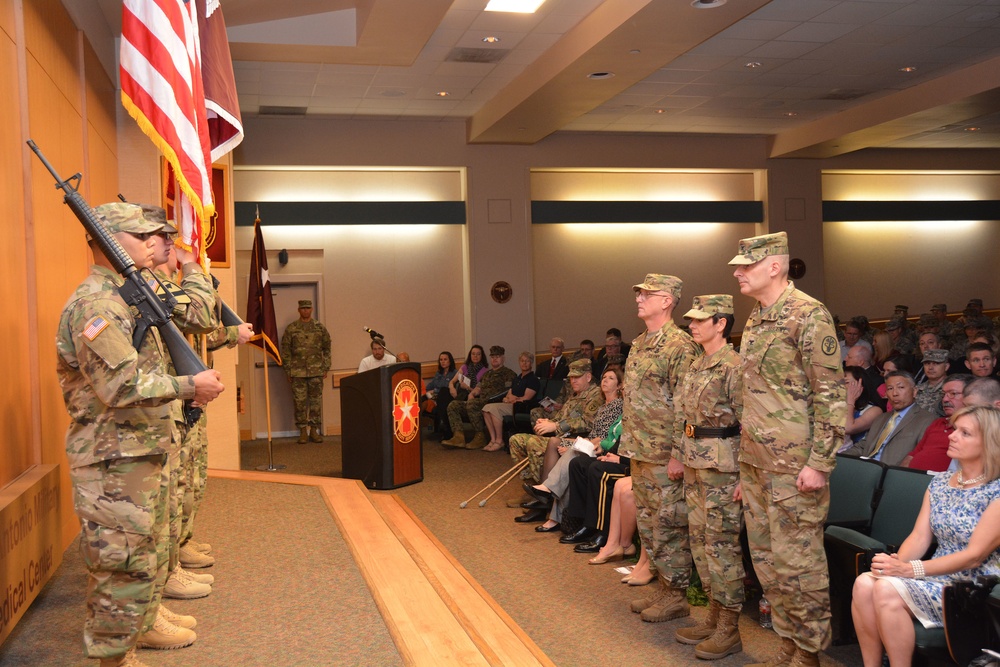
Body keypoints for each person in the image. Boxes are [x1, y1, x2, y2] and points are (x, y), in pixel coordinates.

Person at [56, 203, 225, 667]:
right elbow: (119, 384)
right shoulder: (97, 304)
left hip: (138, 448)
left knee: (144, 555)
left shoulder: (125, 295)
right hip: (113, 459)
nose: (156, 243)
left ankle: (137, 634)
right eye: (143, 234)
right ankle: (112, 657)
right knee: (121, 565)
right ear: (109, 239)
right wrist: (189, 385)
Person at [729, 231, 846, 667]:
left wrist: (819, 463)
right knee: (767, 563)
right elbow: (755, 397)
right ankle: (789, 643)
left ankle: (810, 653)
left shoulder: (808, 315)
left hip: (795, 468)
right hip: (757, 465)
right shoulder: (758, 318)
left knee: (800, 566)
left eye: (746, 265)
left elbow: (832, 396)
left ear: (774, 266)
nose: (738, 272)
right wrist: (745, 469)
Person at [851, 405, 1000, 667]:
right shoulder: (941, 482)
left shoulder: (996, 490)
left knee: (886, 588)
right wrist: (894, 566)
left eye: (965, 433)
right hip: (932, 574)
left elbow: (974, 557)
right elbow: (920, 537)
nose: (952, 436)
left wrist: (908, 570)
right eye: (955, 429)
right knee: (865, 583)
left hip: (971, 588)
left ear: (989, 442)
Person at [619, 274, 697, 624]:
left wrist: (680, 453)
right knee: (649, 525)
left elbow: (688, 404)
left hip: (666, 453)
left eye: (647, 294)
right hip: (640, 448)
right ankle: (664, 586)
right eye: (639, 293)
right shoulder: (638, 343)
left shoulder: (680, 345)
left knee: (670, 523)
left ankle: (677, 594)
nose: (639, 298)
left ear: (667, 301)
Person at [673, 294, 745, 659]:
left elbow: (750, 423)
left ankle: (730, 627)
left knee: (722, 546)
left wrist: (746, 475)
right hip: (694, 462)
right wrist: (677, 454)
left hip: (723, 466)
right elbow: (684, 416)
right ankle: (714, 615)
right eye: (691, 319)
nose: (693, 324)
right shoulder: (697, 363)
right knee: (701, 544)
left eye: (702, 319)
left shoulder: (734, 365)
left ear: (722, 323)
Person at [527, 367, 623, 532]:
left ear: (620, 385)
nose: (605, 380)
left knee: (571, 453)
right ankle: (548, 498)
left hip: (600, 449)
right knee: (557, 442)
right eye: (604, 377)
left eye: (611, 378)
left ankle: (548, 494)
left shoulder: (617, 406)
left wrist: (577, 445)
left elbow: (604, 438)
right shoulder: (602, 407)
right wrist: (574, 443)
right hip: (589, 443)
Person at [508, 359, 602, 521]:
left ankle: (542, 499)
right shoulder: (574, 395)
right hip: (558, 438)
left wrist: (555, 426)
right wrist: (546, 421)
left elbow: (588, 422)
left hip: (578, 442)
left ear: (588, 376)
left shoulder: (595, 395)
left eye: (577, 377)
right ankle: (533, 491)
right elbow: (560, 417)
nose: (573, 381)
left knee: (532, 443)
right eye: (571, 378)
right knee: (516, 440)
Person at [842, 371, 935, 466]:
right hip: (865, 468)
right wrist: (838, 459)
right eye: (890, 388)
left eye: (901, 387)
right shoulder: (881, 418)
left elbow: (919, 455)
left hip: (892, 472)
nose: (895, 393)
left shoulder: (927, 420)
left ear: (914, 391)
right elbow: (863, 446)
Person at [443, 345, 516, 449]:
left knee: (473, 404)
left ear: (503, 358)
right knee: (454, 405)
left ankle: (480, 437)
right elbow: (478, 388)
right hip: (480, 402)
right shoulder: (487, 374)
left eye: (497, 357)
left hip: (493, 402)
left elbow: (507, 391)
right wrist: (472, 393)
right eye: (492, 357)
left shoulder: (508, 373)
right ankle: (458, 437)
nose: (494, 359)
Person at [282, 300, 331, 443]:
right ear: (299, 310)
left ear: (312, 309)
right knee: (300, 402)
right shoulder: (292, 329)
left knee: (316, 402)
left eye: (308, 308)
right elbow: (285, 351)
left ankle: (314, 431)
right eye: (303, 308)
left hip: (316, 371)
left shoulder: (320, 328)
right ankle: (303, 431)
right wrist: (288, 370)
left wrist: (325, 367)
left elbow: (327, 348)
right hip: (297, 372)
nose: (305, 311)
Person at [901, 374, 973, 472]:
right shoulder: (938, 422)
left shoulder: (973, 429)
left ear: (970, 397)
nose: (945, 399)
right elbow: (914, 454)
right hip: (912, 479)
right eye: (943, 394)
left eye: (953, 393)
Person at [480, 351, 540, 451]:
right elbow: (508, 394)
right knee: (486, 408)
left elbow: (526, 398)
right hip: (511, 404)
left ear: (531, 363)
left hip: (521, 407)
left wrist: (513, 399)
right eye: (522, 361)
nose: (524, 363)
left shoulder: (533, 379)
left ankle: (500, 441)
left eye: (527, 361)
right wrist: (508, 399)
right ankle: (493, 439)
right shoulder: (517, 378)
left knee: (494, 409)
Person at [843, 366, 884, 448]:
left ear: (861, 384)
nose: (841, 386)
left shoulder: (874, 410)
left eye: (846, 383)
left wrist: (851, 401)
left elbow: (848, 428)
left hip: (856, 455)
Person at [422, 351, 457, 436]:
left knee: (442, 392)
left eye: (445, 359)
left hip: (447, 397)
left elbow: (445, 388)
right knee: (420, 398)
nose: (443, 361)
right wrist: (429, 391)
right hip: (435, 397)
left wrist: (434, 391)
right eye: (441, 360)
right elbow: (430, 386)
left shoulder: (454, 373)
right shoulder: (439, 373)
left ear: (450, 361)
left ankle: (445, 428)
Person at [914, 348, 949, 417]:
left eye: (936, 363)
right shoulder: (917, 389)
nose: (930, 367)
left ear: (946, 366)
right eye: (927, 363)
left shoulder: (951, 389)